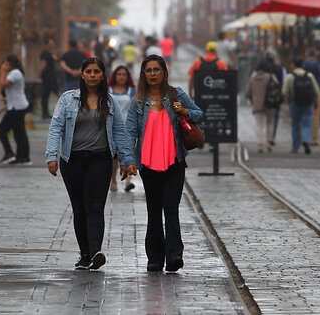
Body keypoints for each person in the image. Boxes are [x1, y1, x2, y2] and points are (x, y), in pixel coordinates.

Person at [46, 57, 136, 271]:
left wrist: (127, 160)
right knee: (79, 209)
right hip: (73, 160)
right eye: (89, 71)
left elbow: (119, 131)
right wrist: (52, 156)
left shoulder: (110, 101)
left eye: (97, 71)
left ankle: (96, 251)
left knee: (95, 207)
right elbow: (56, 127)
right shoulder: (68, 99)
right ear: (82, 74)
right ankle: (84, 254)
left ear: (103, 75)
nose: (93, 75)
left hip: (100, 160)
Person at [126, 55, 203, 273]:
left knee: (171, 208)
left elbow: (200, 114)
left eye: (156, 69)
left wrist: (184, 111)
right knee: (153, 210)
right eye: (148, 70)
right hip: (149, 165)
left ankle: (174, 255)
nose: (152, 74)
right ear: (144, 74)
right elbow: (130, 131)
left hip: (174, 163)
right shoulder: (138, 101)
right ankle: (155, 259)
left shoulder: (176, 94)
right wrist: (129, 160)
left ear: (163, 72)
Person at [282, 56, 320, 155]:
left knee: (295, 124)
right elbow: (317, 91)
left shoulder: (290, 76)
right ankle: (306, 140)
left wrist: (286, 100)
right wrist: (316, 102)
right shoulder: (310, 76)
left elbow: (284, 91)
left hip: (295, 103)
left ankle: (295, 146)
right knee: (307, 123)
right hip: (308, 103)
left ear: (293, 65)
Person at [0, 55, 31, 165]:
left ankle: (10, 154)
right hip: (16, 106)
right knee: (19, 132)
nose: (4, 66)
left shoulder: (15, 73)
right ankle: (22, 157)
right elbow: (13, 91)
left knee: (2, 129)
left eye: (5, 64)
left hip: (17, 108)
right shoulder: (14, 73)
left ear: (10, 64)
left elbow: (3, 84)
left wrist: (2, 71)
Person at [109, 65, 136, 192]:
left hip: (128, 128)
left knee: (128, 154)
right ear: (114, 76)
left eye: (124, 74)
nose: (121, 77)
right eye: (119, 74)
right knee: (114, 157)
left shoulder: (132, 91)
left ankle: (127, 182)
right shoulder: (108, 90)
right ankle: (113, 180)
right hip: (113, 128)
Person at [246, 61, 278, 153]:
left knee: (259, 125)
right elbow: (277, 88)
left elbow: (248, 92)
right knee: (270, 123)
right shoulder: (272, 77)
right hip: (270, 104)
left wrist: (252, 100)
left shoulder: (253, 78)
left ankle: (260, 143)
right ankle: (268, 143)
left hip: (257, 104)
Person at [302, 48, 320, 146]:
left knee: (305, 115)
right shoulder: (319, 65)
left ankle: (304, 137)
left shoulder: (304, 65)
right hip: (317, 91)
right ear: (315, 55)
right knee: (316, 115)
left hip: (305, 91)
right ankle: (314, 138)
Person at [39, 39, 59, 119]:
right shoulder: (44, 53)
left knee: (47, 95)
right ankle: (44, 113)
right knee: (45, 95)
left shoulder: (49, 53)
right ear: (46, 44)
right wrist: (40, 76)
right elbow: (43, 65)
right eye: (51, 44)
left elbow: (56, 59)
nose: (52, 45)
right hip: (46, 77)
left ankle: (46, 112)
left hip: (50, 76)